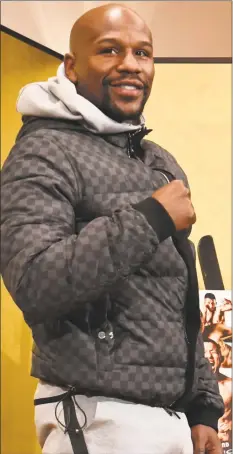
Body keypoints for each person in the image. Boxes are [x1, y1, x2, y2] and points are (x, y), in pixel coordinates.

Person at [1, 3, 224, 454]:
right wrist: (151, 219)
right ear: (71, 65)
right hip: (96, 414)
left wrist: (202, 407)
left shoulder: (158, 161)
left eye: (143, 53)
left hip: (171, 418)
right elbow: (34, 281)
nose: (130, 65)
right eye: (109, 50)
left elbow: (180, 301)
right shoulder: (43, 153)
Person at [204, 339, 232, 444]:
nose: (209, 356)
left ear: (220, 357)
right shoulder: (191, 387)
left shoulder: (230, 385)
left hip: (226, 443)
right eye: (204, 352)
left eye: (213, 352)